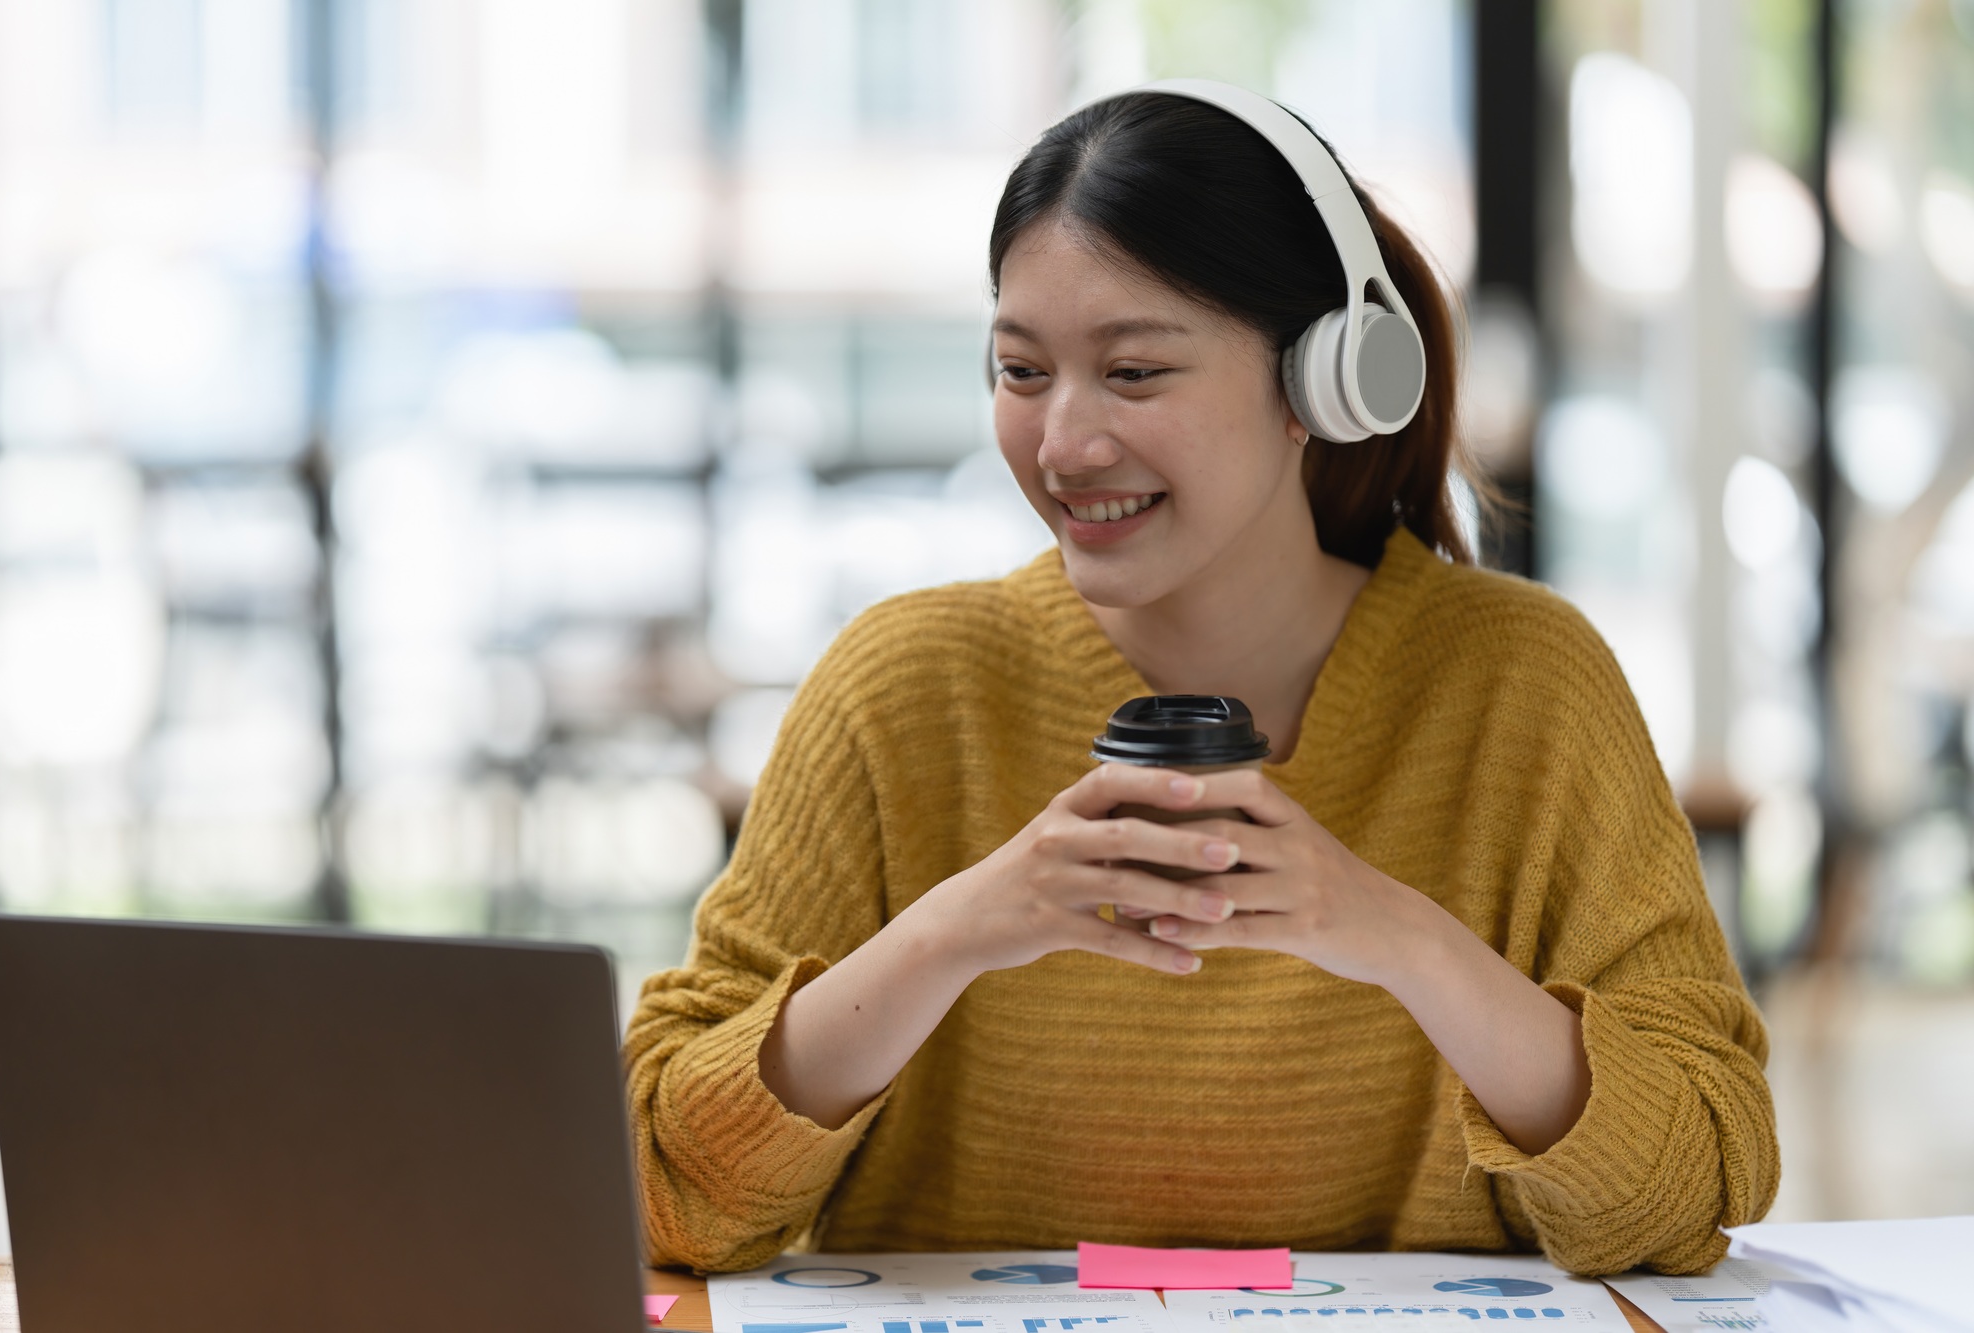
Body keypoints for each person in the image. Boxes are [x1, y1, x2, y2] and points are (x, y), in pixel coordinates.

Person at [623, 86, 1778, 1277]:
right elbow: (665, 1194)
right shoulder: (901, 687)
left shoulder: (1525, 684)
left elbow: (1687, 1193)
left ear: (1324, 380)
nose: (1063, 442)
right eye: (1021, 372)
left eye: (1131, 373)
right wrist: (951, 934)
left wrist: (1398, 939)